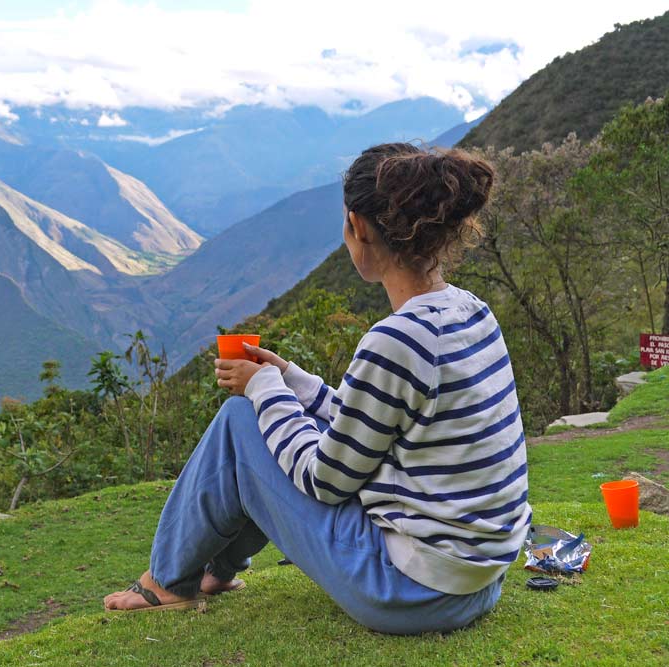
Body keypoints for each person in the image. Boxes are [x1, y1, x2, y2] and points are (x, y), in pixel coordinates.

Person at [103, 142, 532, 635]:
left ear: (359, 227)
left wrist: (263, 387)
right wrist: (294, 382)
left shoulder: (396, 339)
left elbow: (325, 479)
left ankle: (166, 582)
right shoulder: (472, 312)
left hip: (412, 594)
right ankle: (215, 572)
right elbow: (366, 432)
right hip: (478, 583)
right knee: (266, 415)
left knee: (242, 420)